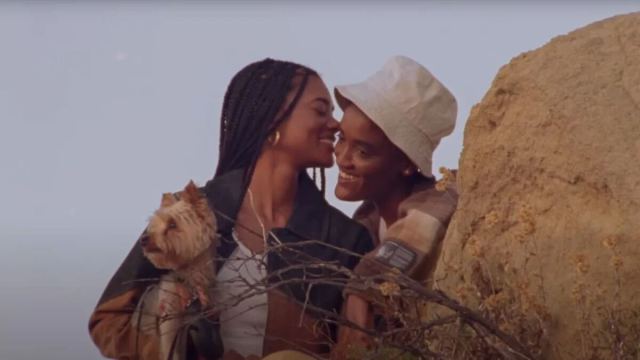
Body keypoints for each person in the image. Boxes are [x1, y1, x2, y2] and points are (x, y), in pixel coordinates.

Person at [88, 58, 374, 359]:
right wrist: (180, 350)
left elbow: (359, 348)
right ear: (271, 118)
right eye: (320, 110)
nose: (336, 124)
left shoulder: (345, 241)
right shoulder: (187, 214)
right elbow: (109, 320)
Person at [330, 55, 459, 354]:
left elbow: (414, 233)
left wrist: (363, 289)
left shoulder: (442, 197)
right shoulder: (364, 225)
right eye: (341, 139)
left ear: (407, 164)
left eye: (363, 151)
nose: (342, 158)